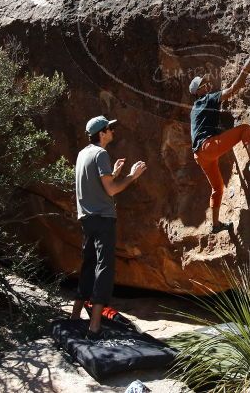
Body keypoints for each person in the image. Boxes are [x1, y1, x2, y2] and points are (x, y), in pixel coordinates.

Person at [70, 115, 147, 339]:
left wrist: (114, 173)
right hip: (103, 219)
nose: (112, 131)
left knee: (88, 265)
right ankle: (94, 327)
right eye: (109, 129)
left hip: (86, 218)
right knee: (104, 268)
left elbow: (99, 185)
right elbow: (111, 191)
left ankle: (75, 318)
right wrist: (132, 176)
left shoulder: (82, 154)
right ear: (101, 134)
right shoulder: (101, 153)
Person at [189, 56, 250, 234]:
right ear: (199, 91)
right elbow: (233, 89)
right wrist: (245, 70)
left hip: (200, 155)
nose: (207, 85)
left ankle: (215, 224)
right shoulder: (207, 99)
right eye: (203, 84)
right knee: (244, 129)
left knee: (217, 188)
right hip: (208, 147)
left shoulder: (195, 108)